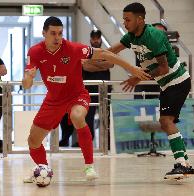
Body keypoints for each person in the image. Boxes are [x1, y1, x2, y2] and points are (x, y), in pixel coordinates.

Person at [22, 16, 149, 184]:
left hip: (77, 95)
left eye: (60, 33)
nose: (57, 37)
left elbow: (104, 53)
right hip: (53, 99)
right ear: (44, 33)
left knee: (77, 116)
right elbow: (27, 84)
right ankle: (43, 169)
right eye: (53, 33)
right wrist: (28, 77)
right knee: (33, 140)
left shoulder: (73, 48)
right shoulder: (35, 51)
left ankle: (89, 166)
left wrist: (131, 68)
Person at [108, 2, 194, 180]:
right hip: (167, 84)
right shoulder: (131, 36)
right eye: (123, 19)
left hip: (177, 81)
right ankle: (185, 163)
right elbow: (111, 51)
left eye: (128, 19)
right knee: (167, 122)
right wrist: (89, 57)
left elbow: (163, 68)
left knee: (165, 121)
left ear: (140, 19)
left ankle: (182, 164)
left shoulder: (153, 36)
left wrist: (137, 77)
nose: (125, 23)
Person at [59, 29, 114, 148]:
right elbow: (87, 67)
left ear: (100, 39)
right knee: (87, 117)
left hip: (105, 90)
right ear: (90, 39)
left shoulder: (106, 52)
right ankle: (86, 140)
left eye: (97, 38)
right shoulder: (85, 52)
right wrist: (99, 64)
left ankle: (108, 143)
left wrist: (90, 63)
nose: (95, 40)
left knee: (107, 117)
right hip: (89, 91)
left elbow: (110, 64)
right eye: (93, 38)